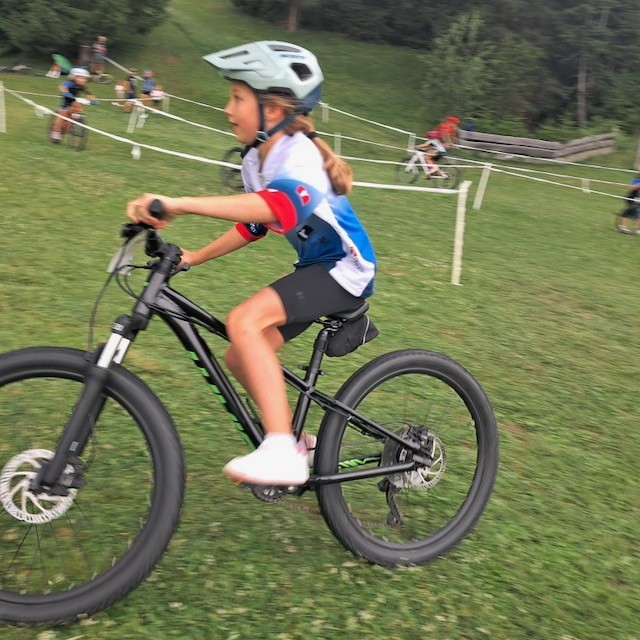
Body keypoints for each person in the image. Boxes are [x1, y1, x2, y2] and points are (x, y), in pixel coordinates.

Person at [126, 41, 377, 487]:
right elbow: (254, 223)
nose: (228, 109)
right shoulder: (255, 161)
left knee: (243, 320)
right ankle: (298, 443)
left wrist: (181, 203)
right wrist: (195, 257)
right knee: (239, 354)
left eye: (237, 98)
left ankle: (281, 451)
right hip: (316, 269)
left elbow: (278, 208)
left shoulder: (297, 154)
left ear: (273, 109)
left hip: (345, 270)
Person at [50, 67, 93, 143]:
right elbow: (62, 87)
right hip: (66, 100)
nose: (83, 80)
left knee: (78, 107)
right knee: (62, 114)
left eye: (84, 78)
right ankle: (56, 131)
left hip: (74, 100)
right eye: (81, 78)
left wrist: (92, 99)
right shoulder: (69, 83)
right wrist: (66, 92)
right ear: (74, 77)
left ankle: (75, 119)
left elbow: (88, 93)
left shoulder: (82, 86)